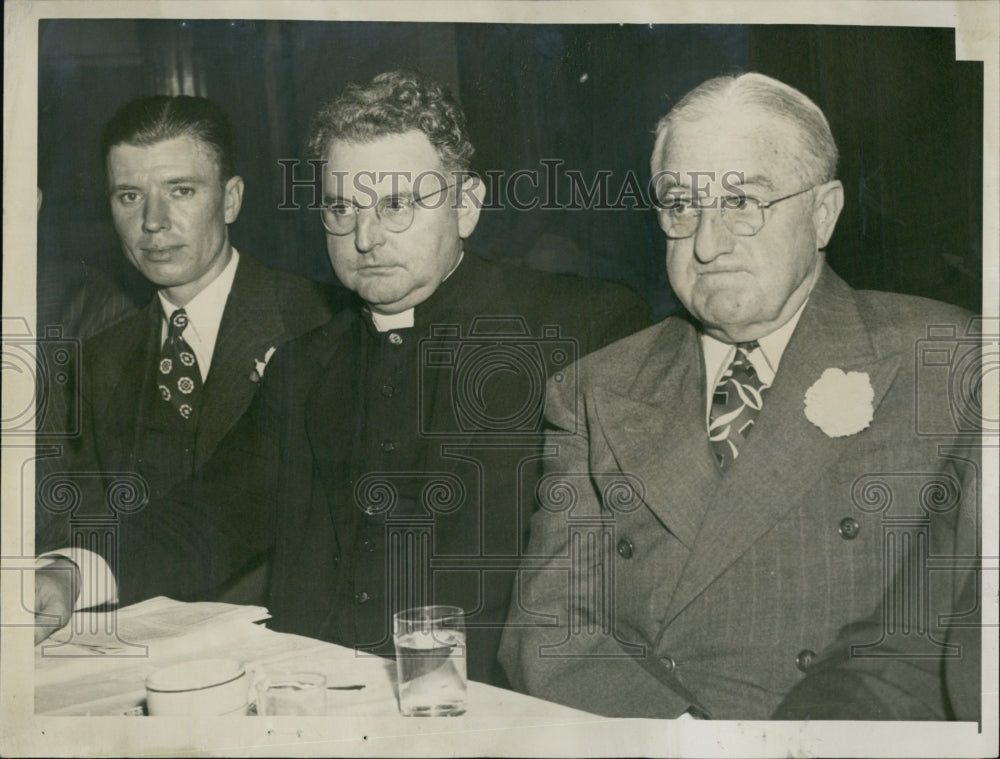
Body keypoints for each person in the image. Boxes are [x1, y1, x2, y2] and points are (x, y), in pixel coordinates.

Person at [34, 71, 651, 686]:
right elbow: (209, 516)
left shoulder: (580, 330)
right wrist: (68, 572)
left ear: (466, 207)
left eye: (397, 205)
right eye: (341, 208)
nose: (365, 238)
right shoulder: (305, 364)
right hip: (313, 707)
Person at [499, 72, 981, 719]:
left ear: (823, 213)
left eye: (741, 202)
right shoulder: (594, 389)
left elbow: (945, 644)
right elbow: (549, 629)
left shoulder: (951, 362)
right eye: (681, 205)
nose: (706, 243)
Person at [35, 95, 341, 615]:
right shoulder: (96, 360)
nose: (153, 222)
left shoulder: (322, 322)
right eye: (129, 195)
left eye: (181, 190)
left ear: (230, 200)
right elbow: (85, 526)